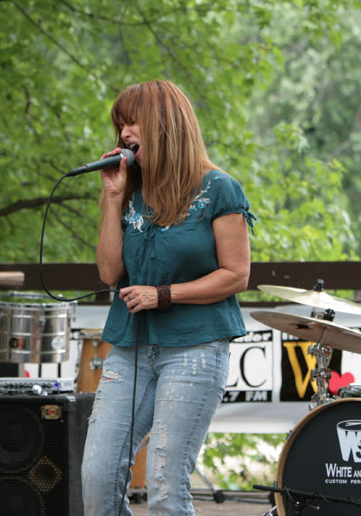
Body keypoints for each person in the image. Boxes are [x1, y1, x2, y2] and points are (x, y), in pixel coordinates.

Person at [81, 79, 255, 515]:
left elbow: (236, 275)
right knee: (97, 476)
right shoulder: (131, 189)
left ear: (164, 124)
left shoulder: (219, 189)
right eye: (119, 124)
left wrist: (165, 294)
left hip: (195, 348)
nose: (123, 133)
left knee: (164, 484)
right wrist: (112, 197)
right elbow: (109, 272)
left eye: (132, 122)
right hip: (131, 348)